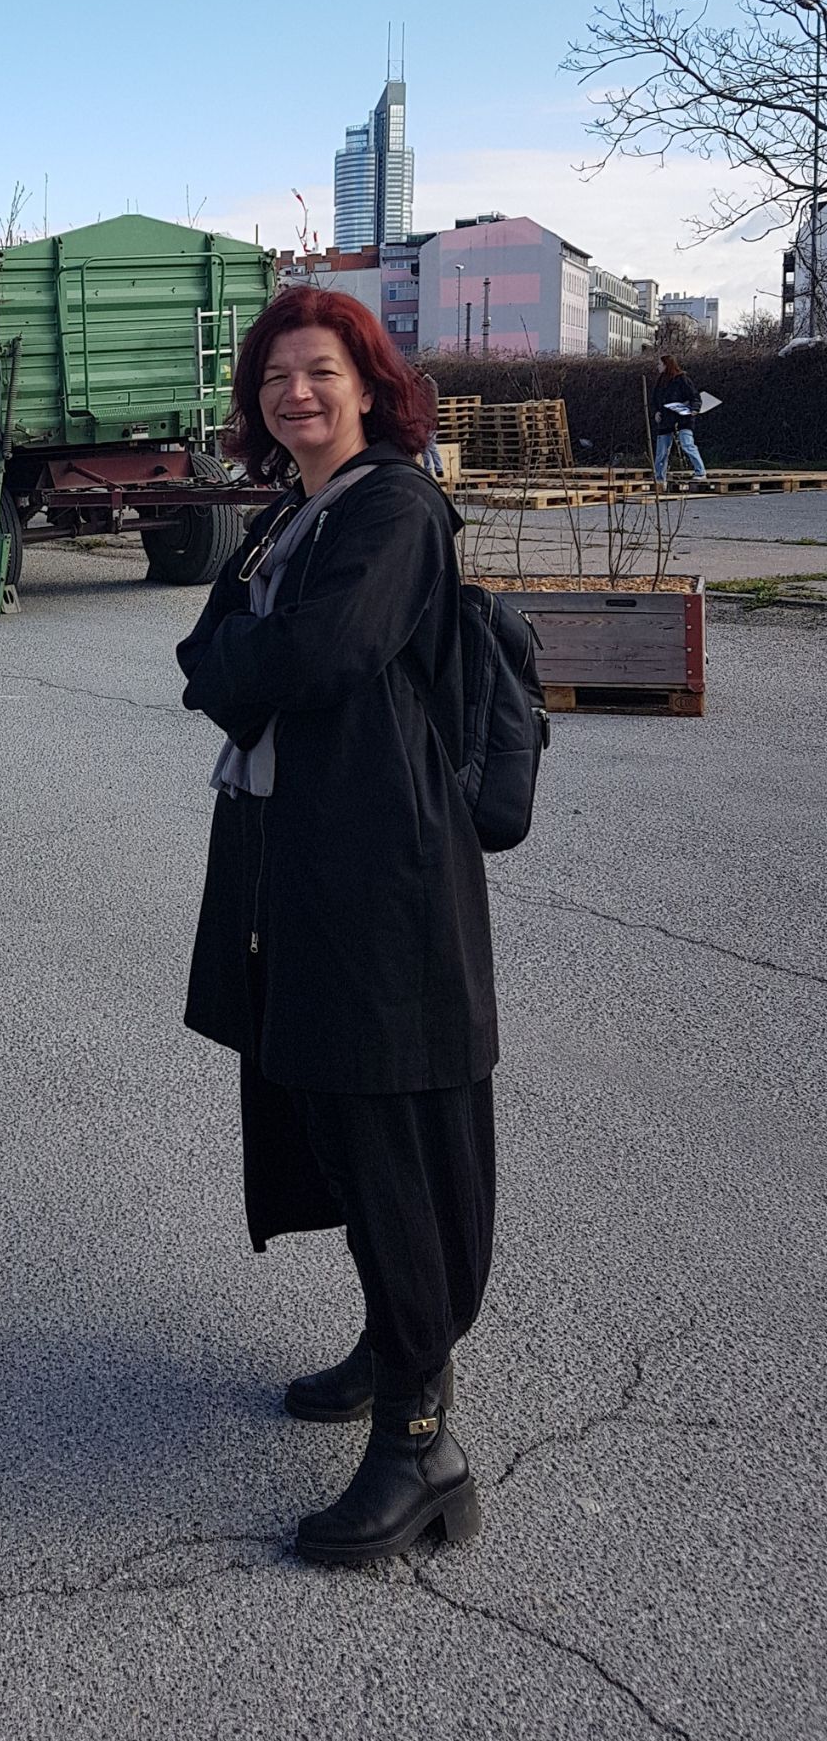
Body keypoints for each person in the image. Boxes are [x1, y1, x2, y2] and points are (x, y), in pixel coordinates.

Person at [176, 284, 498, 1569]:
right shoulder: (288, 520)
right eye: (273, 381)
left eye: (319, 372)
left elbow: (314, 662)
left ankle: (423, 1447)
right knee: (331, 1113)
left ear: (369, 386)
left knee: (391, 1136)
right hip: (299, 863)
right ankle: (386, 1340)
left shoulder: (398, 508)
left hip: (382, 883)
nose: (294, 395)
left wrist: (241, 658)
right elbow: (210, 649)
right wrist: (243, 655)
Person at [650, 353, 711, 485]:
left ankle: (700, 471)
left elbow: (694, 396)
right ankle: (659, 477)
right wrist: (656, 412)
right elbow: (655, 400)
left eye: (660, 364)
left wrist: (694, 409)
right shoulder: (660, 382)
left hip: (683, 418)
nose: (658, 367)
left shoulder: (682, 379)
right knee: (661, 451)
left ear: (667, 365)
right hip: (666, 419)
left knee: (687, 444)